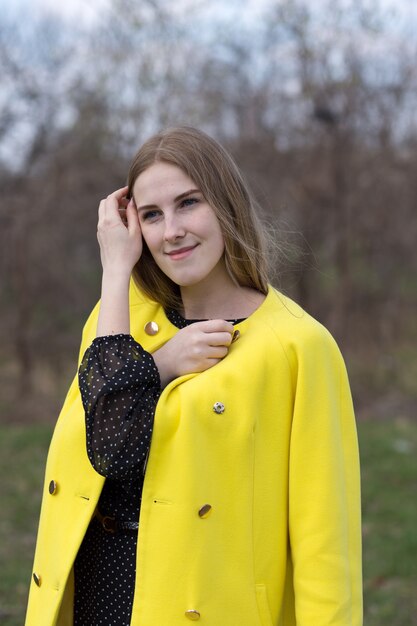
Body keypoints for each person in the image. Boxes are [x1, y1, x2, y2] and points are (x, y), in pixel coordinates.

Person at [25, 126, 362, 626]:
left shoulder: (298, 346)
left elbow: (325, 545)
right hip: (96, 595)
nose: (171, 231)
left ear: (225, 205)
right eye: (152, 215)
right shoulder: (116, 320)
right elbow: (113, 447)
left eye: (188, 203)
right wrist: (122, 285)